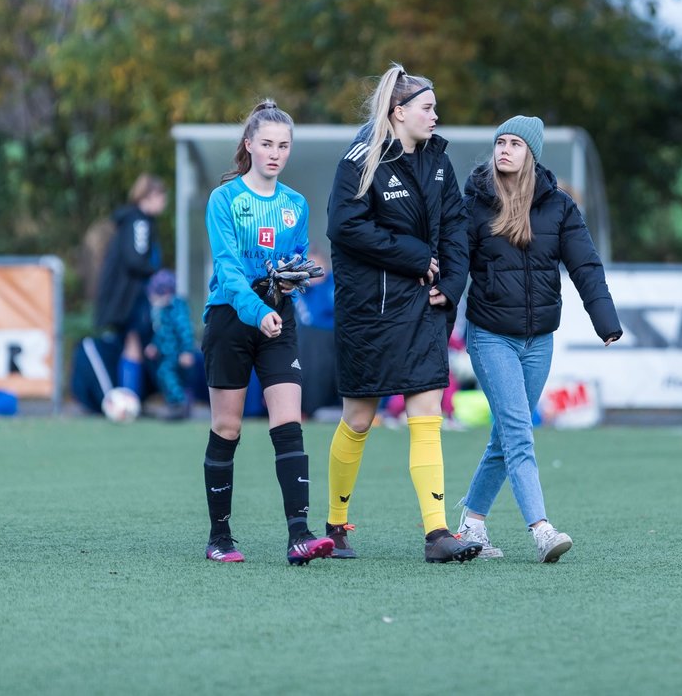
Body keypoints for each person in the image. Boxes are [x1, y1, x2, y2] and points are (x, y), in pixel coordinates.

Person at [323, 64, 481, 564]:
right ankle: (336, 524)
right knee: (360, 418)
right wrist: (414, 256)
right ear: (399, 112)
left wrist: (451, 285)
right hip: (369, 311)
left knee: (427, 413)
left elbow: (455, 227)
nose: (437, 116)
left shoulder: (437, 158)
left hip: (424, 310)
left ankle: (437, 535)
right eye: (428, 108)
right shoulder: (361, 157)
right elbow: (343, 226)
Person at [454, 116, 622, 563]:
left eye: (515, 144)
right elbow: (454, 268)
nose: (504, 150)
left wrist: (604, 320)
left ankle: (471, 524)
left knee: (505, 436)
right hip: (490, 336)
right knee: (518, 431)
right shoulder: (473, 204)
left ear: (532, 153)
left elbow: (585, 265)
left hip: (539, 340)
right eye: (500, 142)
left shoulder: (559, 206)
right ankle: (542, 529)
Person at [200, 100, 334, 565]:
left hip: (279, 320)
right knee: (227, 427)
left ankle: (300, 535)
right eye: (267, 144)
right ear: (249, 146)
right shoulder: (225, 200)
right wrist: (259, 309)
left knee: (289, 424)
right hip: (232, 320)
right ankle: (220, 537)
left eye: (283, 145)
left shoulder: (295, 204)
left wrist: (294, 278)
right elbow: (229, 271)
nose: (275, 153)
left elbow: (294, 261)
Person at [95, 173, 166, 402]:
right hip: (129, 298)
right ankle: (129, 399)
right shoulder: (138, 222)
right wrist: (159, 275)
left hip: (129, 297)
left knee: (133, 344)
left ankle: (131, 398)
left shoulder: (138, 221)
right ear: (150, 196)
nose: (163, 203)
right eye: (161, 197)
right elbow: (135, 259)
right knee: (132, 344)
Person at [141, 269, 196, 420]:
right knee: (166, 374)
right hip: (166, 353)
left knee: (167, 374)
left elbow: (185, 331)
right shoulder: (161, 311)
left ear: (164, 293)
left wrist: (186, 351)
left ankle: (179, 404)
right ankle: (175, 402)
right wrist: (154, 346)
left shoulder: (177, 309)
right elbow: (161, 333)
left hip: (176, 353)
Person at [294, 249, 340, 417]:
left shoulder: (336, 283)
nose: (313, 273)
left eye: (317, 267)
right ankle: (309, 407)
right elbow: (309, 319)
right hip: (314, 341)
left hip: (340, 335)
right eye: (309, 268)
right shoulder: (298, 291)